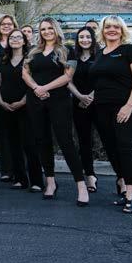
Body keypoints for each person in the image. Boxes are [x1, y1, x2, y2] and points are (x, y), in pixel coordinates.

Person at [22, 17, 89, 206]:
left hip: (59, 101)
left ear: (56, 29)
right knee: (42, 141)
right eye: (43, 29)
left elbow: (68, 77)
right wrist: (36, 88)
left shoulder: (67, 50)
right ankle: (50, 182)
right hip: (36, 100)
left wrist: (45, 88)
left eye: (50, 28)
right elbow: (25, 73)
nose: (46, 32)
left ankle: (81, 186)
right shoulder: (33, 51)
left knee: (66, 142)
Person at [90, 15, 132, 213]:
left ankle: (130, 193)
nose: (112, 30)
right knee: (112, 150)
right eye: (108, 27)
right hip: (102, 108)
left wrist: (129, 106)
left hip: (126, 108)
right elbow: (99, 81)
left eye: (116, 26)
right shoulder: (100, 53)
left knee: (126, 148)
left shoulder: (129, 50)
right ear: (102, 31)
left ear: (122, 30)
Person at [0, 29, 42, 192]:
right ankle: (20, 179)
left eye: (18, 37)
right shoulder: (3, 59)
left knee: (29, 143)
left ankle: (37, 181)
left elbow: (35, 82)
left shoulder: (30, 59)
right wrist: (0, 101)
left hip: (26, 106)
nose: (15, 39)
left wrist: (23, 101)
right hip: (6, 107)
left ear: (24, 41)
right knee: (13, 143)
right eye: (12, 37)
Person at [67, 27, 99, 193]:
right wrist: (80, 96)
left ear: (93, 39)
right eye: (81, 37)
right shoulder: (73, 57)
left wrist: (90, 97)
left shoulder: (100, 56)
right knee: (84, 142)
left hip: (99, 104)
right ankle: (90, 175)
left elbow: (103, 79)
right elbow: (68, 79)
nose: (84, 40)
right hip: (78, 104)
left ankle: (122, 179)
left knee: (110, 140)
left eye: (88, 37)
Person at [0, 14, 17, 183]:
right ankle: (6, 170)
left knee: (19, 132)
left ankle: (20, 169)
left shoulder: (19, 43)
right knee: (2, 132)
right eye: (3, 24)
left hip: (18, 92)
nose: (6, 26)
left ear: (14, 26)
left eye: (9, 24)